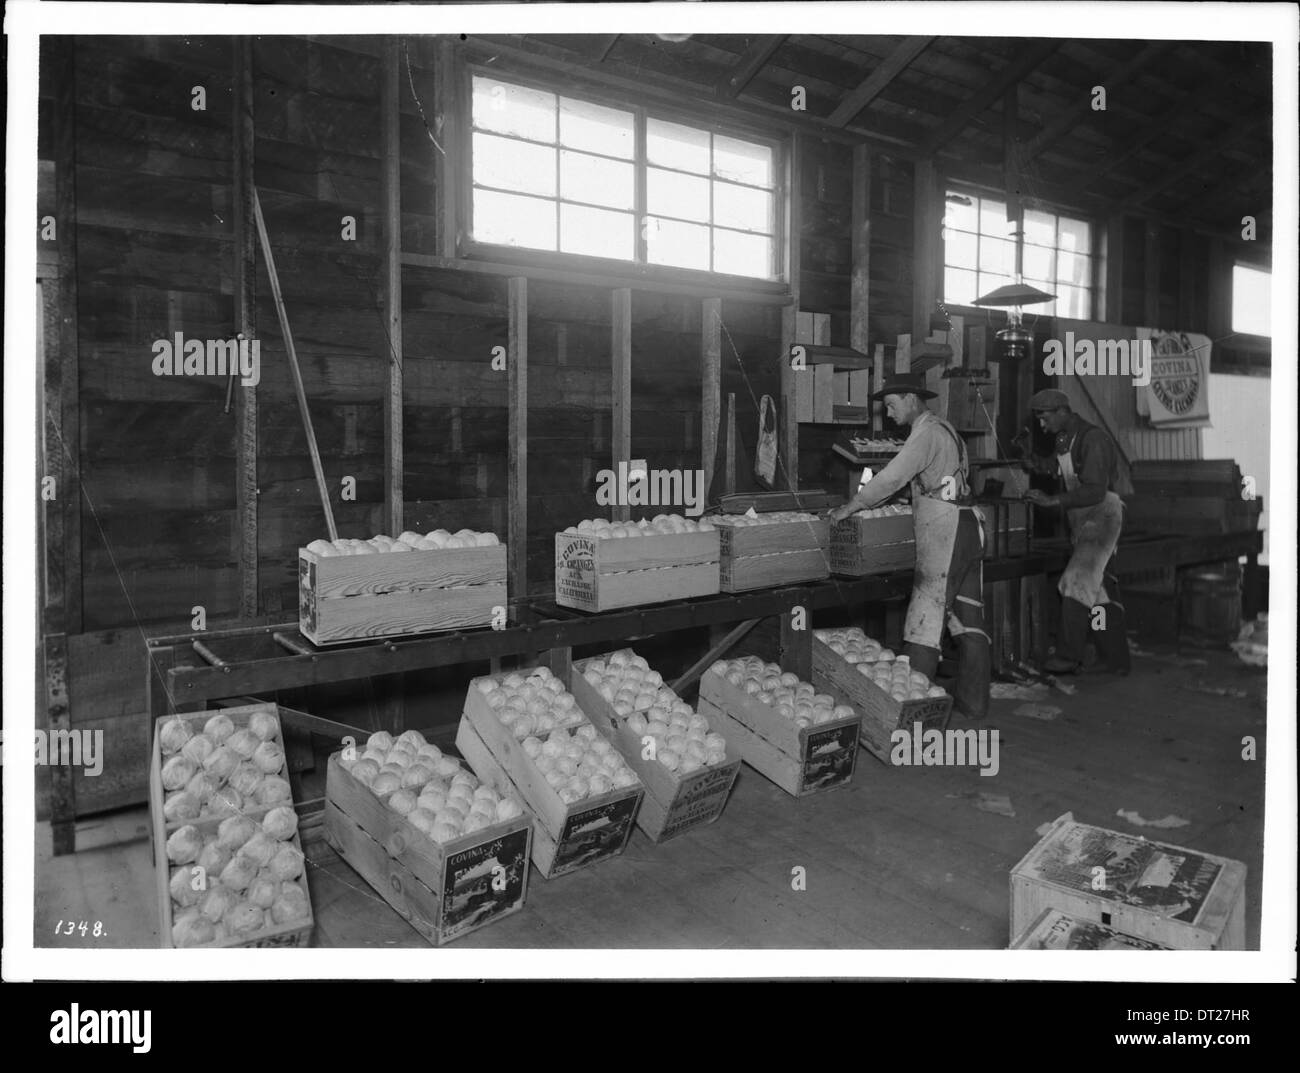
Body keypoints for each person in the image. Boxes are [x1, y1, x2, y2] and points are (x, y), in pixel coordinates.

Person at [829, 373, 990, 720]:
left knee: (924, 622)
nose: (888, 413)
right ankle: (974, 702)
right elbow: (935, 479)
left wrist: (853, 506)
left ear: (911, 398)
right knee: (968, 620)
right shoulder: (944, 429)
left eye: (891, 404)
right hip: (969, 524)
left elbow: (892, 476)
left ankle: (913, 714)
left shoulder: (925, 433)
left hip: (946, 531)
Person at [1022, 389, 1131, 675]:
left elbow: (1095, 490)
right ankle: (1116, 661)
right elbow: (1058, 470)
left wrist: (1052, 500)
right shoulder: (1062, 439)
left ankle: (1068, 656)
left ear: (1061, 411)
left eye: (1044, 419)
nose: (1042, 426)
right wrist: (1030, 458)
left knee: (1075, 580)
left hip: (1103, 513)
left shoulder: (1093, 438)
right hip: (1082, 517)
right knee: (1098, 593)